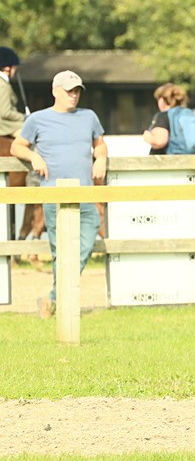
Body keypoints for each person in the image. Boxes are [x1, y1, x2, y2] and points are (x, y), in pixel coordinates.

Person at [10, 71, 107, 319]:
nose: (74, 95)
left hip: (84, 193)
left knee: (88, 235)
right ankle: (60, 303)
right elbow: (16, 146)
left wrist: (102, 158)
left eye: (77, 91)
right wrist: (34, 156)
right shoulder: (38, 120)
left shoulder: (89, 117)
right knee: (59, 250)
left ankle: (53, 298)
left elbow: (100, 143)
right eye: (69, 91)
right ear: (55, 91)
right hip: (53, 194)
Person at [143, 83, 195, 154]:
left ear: (162, 100)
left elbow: (160, 141)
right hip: (191, 161)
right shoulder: (189, 115)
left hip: (168, 162)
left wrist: (149, 138)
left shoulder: (163, 116)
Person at [0, 47, 23, 140]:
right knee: (34, 133)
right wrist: (24, 116)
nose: (16, 69)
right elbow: (5, 113)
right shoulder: (3, 86)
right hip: (5, 126)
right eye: (14, 66)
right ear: (6, 67)